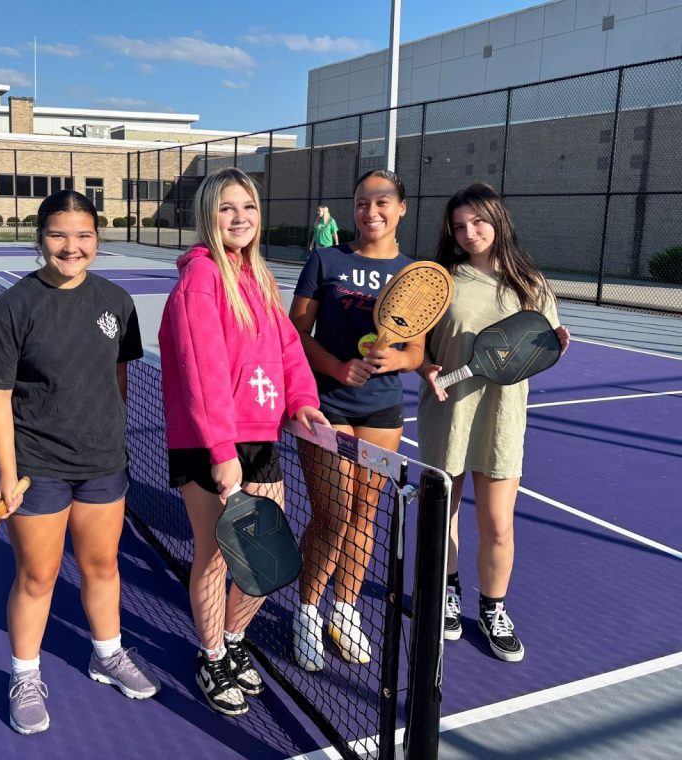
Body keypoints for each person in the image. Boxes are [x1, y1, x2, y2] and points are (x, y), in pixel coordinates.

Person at [0, 189, 160, 735]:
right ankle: (24, 676)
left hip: (103, 463)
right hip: (37, 465)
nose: (71, 246)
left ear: (97, 240)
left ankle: (107, 653)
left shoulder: (118, 302)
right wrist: (8, 474)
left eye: (83, 236)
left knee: (103, 567)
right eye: (58, 235)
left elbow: (118, 377)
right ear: (40, 239)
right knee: (38, 575)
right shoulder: (13, 307)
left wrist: (109, 437)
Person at [158, 167, 328, 716]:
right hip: (210, 442)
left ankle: (233, 641)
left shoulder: (260, 280)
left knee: (264, 557)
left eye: (249, 208)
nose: (240, 218)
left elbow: (288, 352)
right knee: (213, 558)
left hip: (258, 437)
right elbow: (203, 371)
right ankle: (210, 655)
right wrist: (221, 452)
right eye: (227, 208)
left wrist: (303, 403)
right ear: (209, 215)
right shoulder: (200, 280)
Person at [418, 183, 569, 663]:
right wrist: (426, 368)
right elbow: (415, 344)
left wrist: (556, 348)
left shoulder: (532, 284)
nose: (468, 233)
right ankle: (447, 589)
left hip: (503, 419)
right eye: (459, 226)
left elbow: (536, 348)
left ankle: (493, 607)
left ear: (498, 220)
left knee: (498, 525)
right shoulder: (440, 279)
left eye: (478, 222)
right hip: (448, 411)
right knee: (445, 516)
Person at [289, 169, 424, 671]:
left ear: (401, 208)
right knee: (333, 513)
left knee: (366, 512)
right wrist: (338, 367)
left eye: (383, 202)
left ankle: (343, 610)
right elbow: (295, 335)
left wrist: (401, 361)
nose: (372, 212)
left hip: (384, 409)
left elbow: (416, 351)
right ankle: (306, 611)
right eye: (363, 203)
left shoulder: (414, 274)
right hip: (327, 403)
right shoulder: (326, 260)